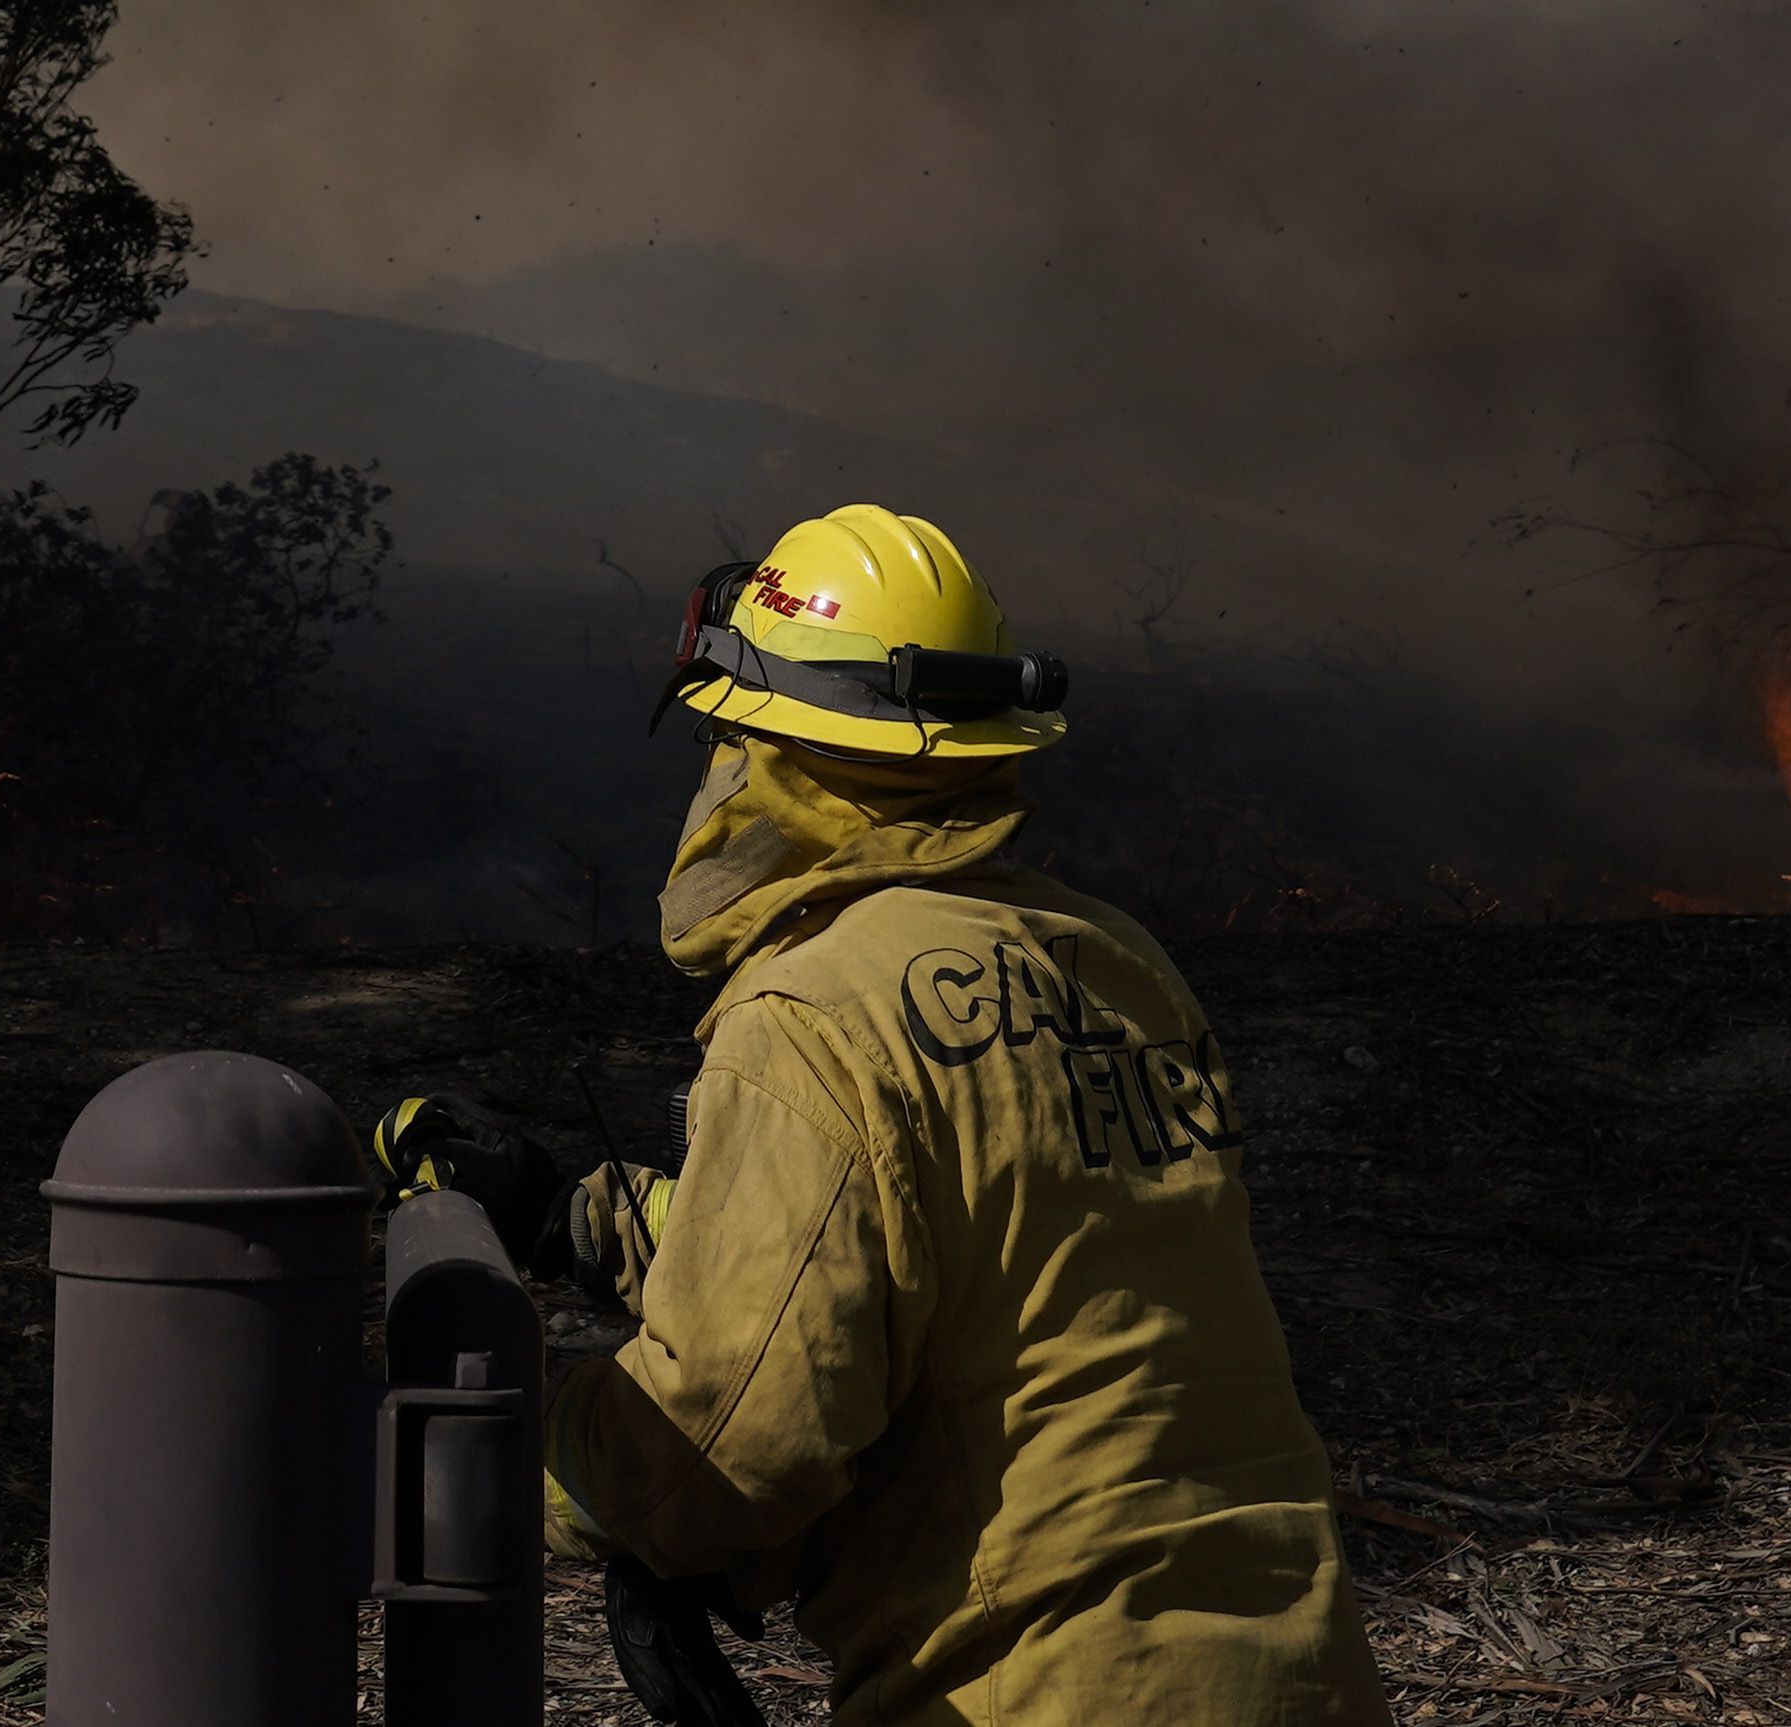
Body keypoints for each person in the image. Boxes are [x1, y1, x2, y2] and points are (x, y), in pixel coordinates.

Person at [374, 507, 1390, 1727]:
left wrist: (523, 1445)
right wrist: (576, 1219)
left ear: (774, 758)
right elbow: (975, 1241)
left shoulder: (810, 1008)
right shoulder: (1117, 965)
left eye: (729, 742)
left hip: (1032, 1688)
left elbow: (726, 1449)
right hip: (1296, 1671)